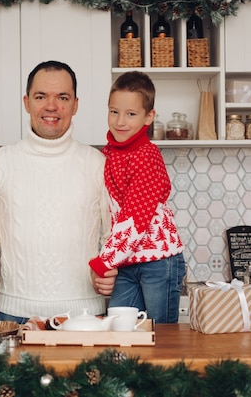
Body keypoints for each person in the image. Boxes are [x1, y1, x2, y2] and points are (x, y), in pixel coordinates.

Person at [0, 60, 117, 324]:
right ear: (26, 102)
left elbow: (112, 233)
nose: (51, 106)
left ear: (75, 104)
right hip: (15, 314)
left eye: (63, 97)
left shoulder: (99, 163)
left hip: (84, 316)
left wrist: (108, 269)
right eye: (41, 96)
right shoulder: (0, 162)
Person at [88, 71, 185, 323]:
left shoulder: (146, 155)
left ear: (148, 117)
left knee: (161, 336)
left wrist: (104, 260)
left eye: (131, 114)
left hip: (159, 262)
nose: (120, 121)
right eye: (114, 111)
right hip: (127, 262)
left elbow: (135, 217)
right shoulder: (111, 154)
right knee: (120, 330)